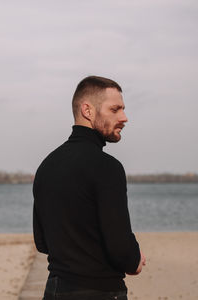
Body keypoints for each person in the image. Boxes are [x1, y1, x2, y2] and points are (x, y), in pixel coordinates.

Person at [33, 75, 146, 300]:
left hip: (55, 291)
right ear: (88, 110)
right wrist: (135, 260)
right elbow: (121, 249)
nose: (124, 117)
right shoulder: (107, 168)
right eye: (115, 109)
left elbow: (42, 242)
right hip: (99, 291)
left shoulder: (46, 166)